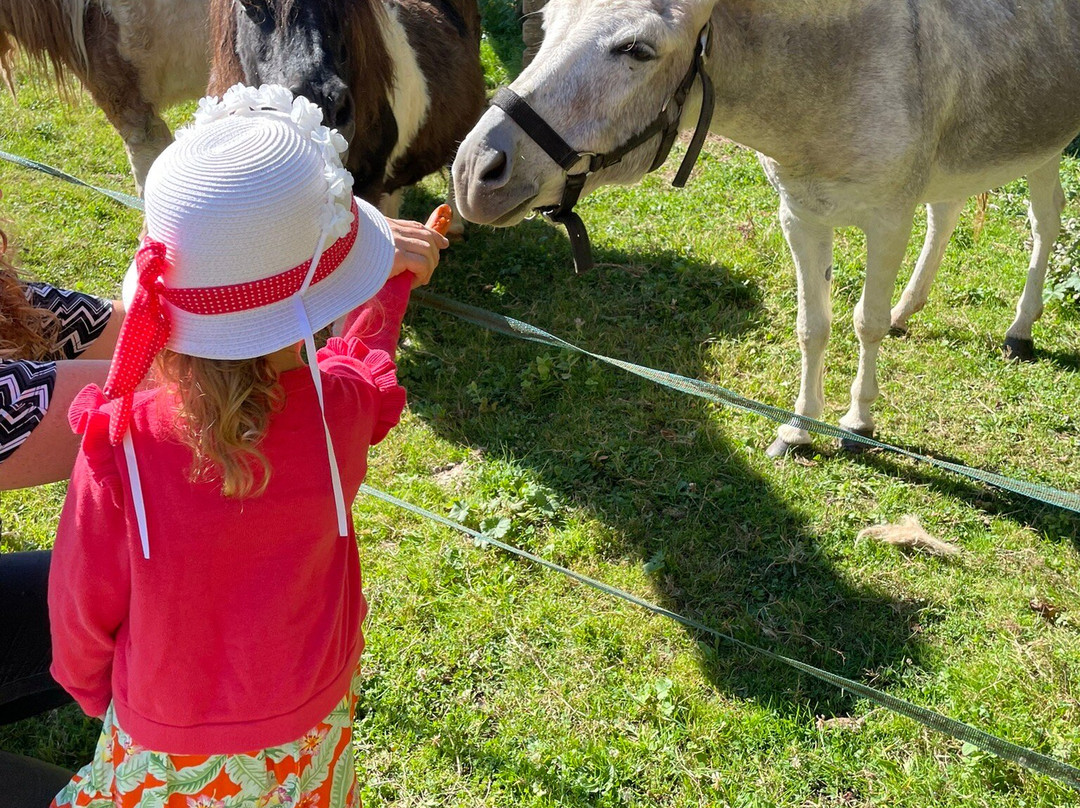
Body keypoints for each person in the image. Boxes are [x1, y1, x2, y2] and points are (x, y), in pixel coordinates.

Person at [11, 84, 448, 807]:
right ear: (320, 289)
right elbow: (361, 366)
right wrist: (389, 291)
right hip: (311, 724)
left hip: (164, 742)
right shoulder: (340, 416)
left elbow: (80, 612)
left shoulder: (120, 444)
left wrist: (100, 693)